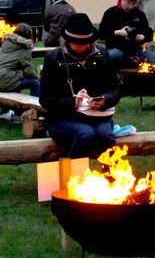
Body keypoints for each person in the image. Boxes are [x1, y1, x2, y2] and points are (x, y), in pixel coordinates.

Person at [39, 13, 121, 159]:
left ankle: (112, 172)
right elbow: (45, 99)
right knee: (85, 133)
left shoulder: (102, 54)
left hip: (98, 116)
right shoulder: (53, 58)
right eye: (77, 43)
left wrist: (105, 99)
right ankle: (73, 172)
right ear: (68, 40)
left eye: (86, 43)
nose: (82, 47)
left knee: (106, 136)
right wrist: (73, 102)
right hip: (62, 118)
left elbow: (115, 89)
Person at [98, 0, 155, 68]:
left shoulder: (139, 14)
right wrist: (118, 33)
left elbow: (149, 32)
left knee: (153, 57)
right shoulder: (111, 13)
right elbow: (101, 34)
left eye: (133, 4)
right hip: (116, 48)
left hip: (136, 49)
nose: (130, 6)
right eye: (128, 3)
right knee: (114, 55)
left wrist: (142, 37)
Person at [0, 23, 40, 96]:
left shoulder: (6, 44)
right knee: (35, 83)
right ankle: (33, 102)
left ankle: (15, 103)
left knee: (16, 79)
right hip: (1, 81)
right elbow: (28, 70)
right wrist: (38, 77)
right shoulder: (24, 48)